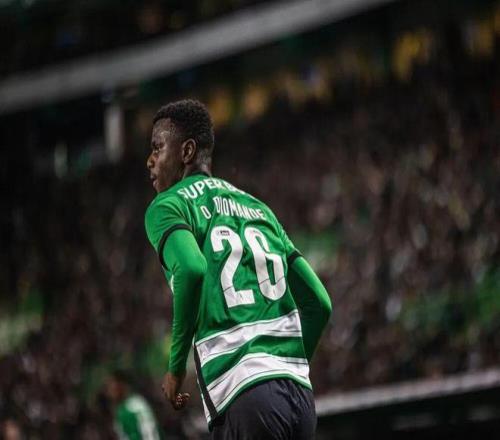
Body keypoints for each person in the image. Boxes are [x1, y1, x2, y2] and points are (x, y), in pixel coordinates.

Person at [145, 99, 332, 439]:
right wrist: (286, 367)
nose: (150, 160)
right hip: (300, 399)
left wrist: (175, 370)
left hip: (244, 395)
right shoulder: (259, 208)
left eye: (157, 148)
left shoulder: (168, 205)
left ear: (187, 151)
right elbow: (320, 303)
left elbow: (191, 268)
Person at [105, 370, 162, 440]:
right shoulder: (121, 409)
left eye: (111, 385)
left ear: (121, 385)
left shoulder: (134, 406)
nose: (109, 391)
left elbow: (150, 432)